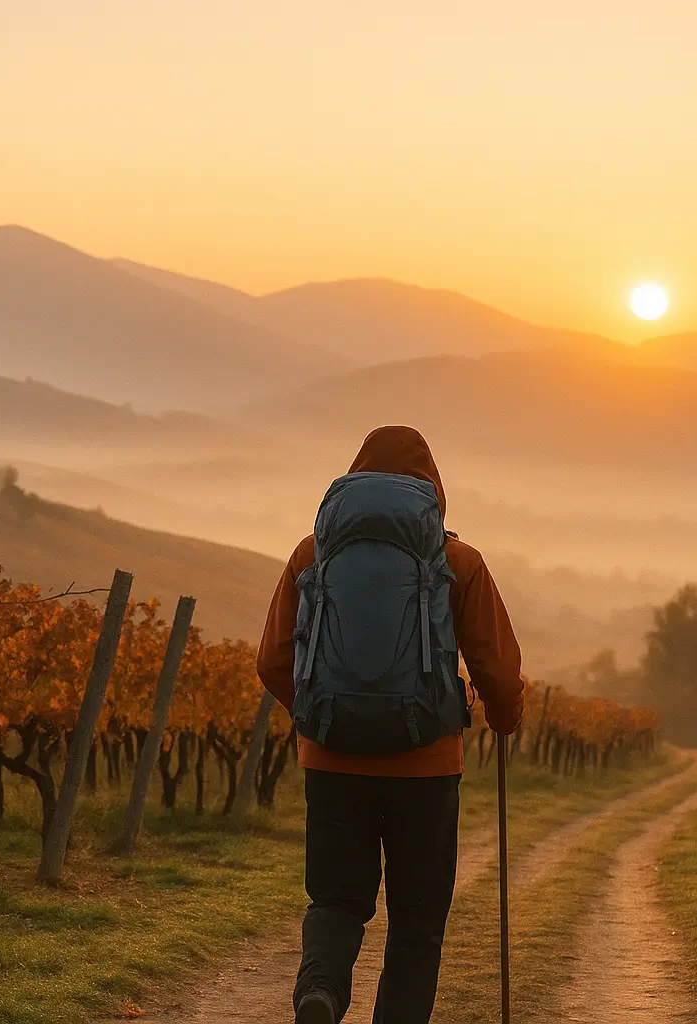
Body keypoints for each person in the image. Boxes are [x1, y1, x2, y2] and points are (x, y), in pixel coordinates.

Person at [257, 425, 525, 1024]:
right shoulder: (458, 561)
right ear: (431, 488)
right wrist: (504, 720)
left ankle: (319, 993)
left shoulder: (313, 555)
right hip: (426, 765)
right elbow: (500, 675)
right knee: (418, 919)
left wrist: (320, 721)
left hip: (332, 763)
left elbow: (273, 661)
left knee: (335, 899)